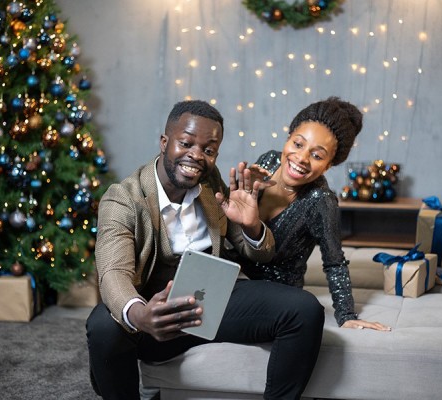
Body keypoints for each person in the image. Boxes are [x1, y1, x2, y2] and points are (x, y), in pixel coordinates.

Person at [86, 100, 325, 399]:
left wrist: (251, 226)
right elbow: (113, 273)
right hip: (155, 310)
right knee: (102, 325)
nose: (196, 156)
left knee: (305, 310)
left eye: (209, 150)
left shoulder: (210, 182)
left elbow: (258, 252)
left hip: (211, 299)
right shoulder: (123, 198)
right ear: (164, 142)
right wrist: (141, 315)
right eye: (186, 143)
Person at [234, 97, 391, 331]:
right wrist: (246, 190)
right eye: (298, 144)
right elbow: (240, 225)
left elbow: (334, 262)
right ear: (288, 138)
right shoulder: (268, 161)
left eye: (317, 156)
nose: (301, 158)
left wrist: (346, 314)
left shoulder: (320, 201)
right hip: (234, 276)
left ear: (328, 165)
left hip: (275, 293)